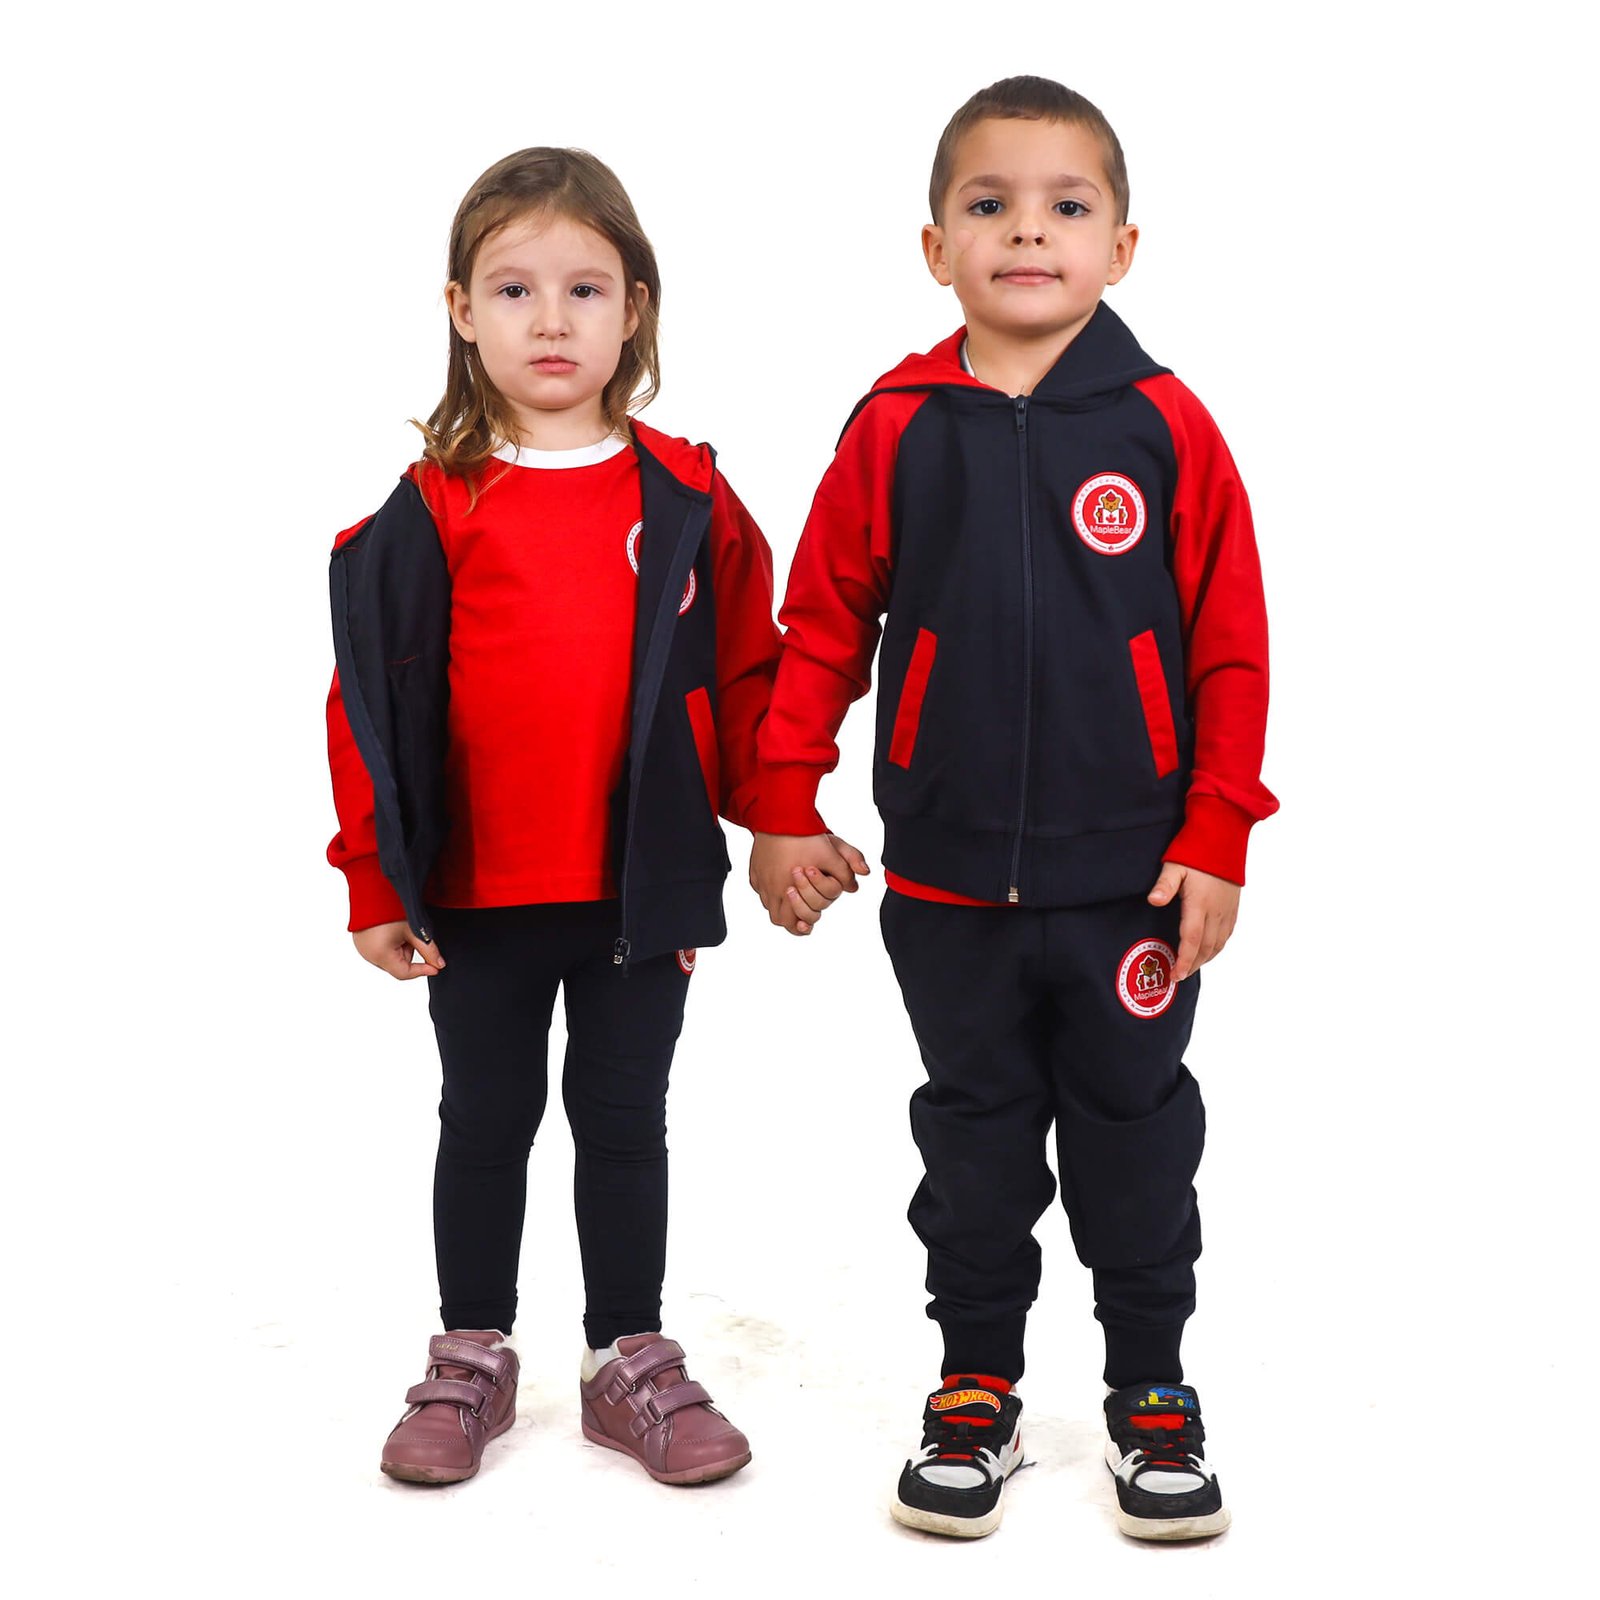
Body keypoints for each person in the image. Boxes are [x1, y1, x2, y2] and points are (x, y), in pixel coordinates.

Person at [748, 78, 1277, 1540]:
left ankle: (1151, 1391)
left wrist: (1217, 830)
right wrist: (782, 799)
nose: (1028, 232)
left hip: (1134, 885)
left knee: (1135, 1133)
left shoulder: (1169, 426)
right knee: (974, 1141)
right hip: (949, 882)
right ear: (937, 249)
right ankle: (974, 1384)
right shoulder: (897, 426)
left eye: (1066, 206)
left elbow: (1230, 644)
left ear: (1122, 246)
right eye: (990, 205)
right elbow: (822, 621)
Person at [326, 146, 847, 1487]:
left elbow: (750, 674)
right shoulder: (434, 505)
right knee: (484, 1117)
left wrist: (780, 817)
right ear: (461, 311)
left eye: (584, 289)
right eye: (514, 290)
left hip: (638, 888)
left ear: (636, 309)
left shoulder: (684, 495)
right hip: (478, 891)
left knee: (623, 1119)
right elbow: (367, 705)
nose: (549, 320)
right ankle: (471, 1352)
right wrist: (373, 878)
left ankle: (626, 1356)